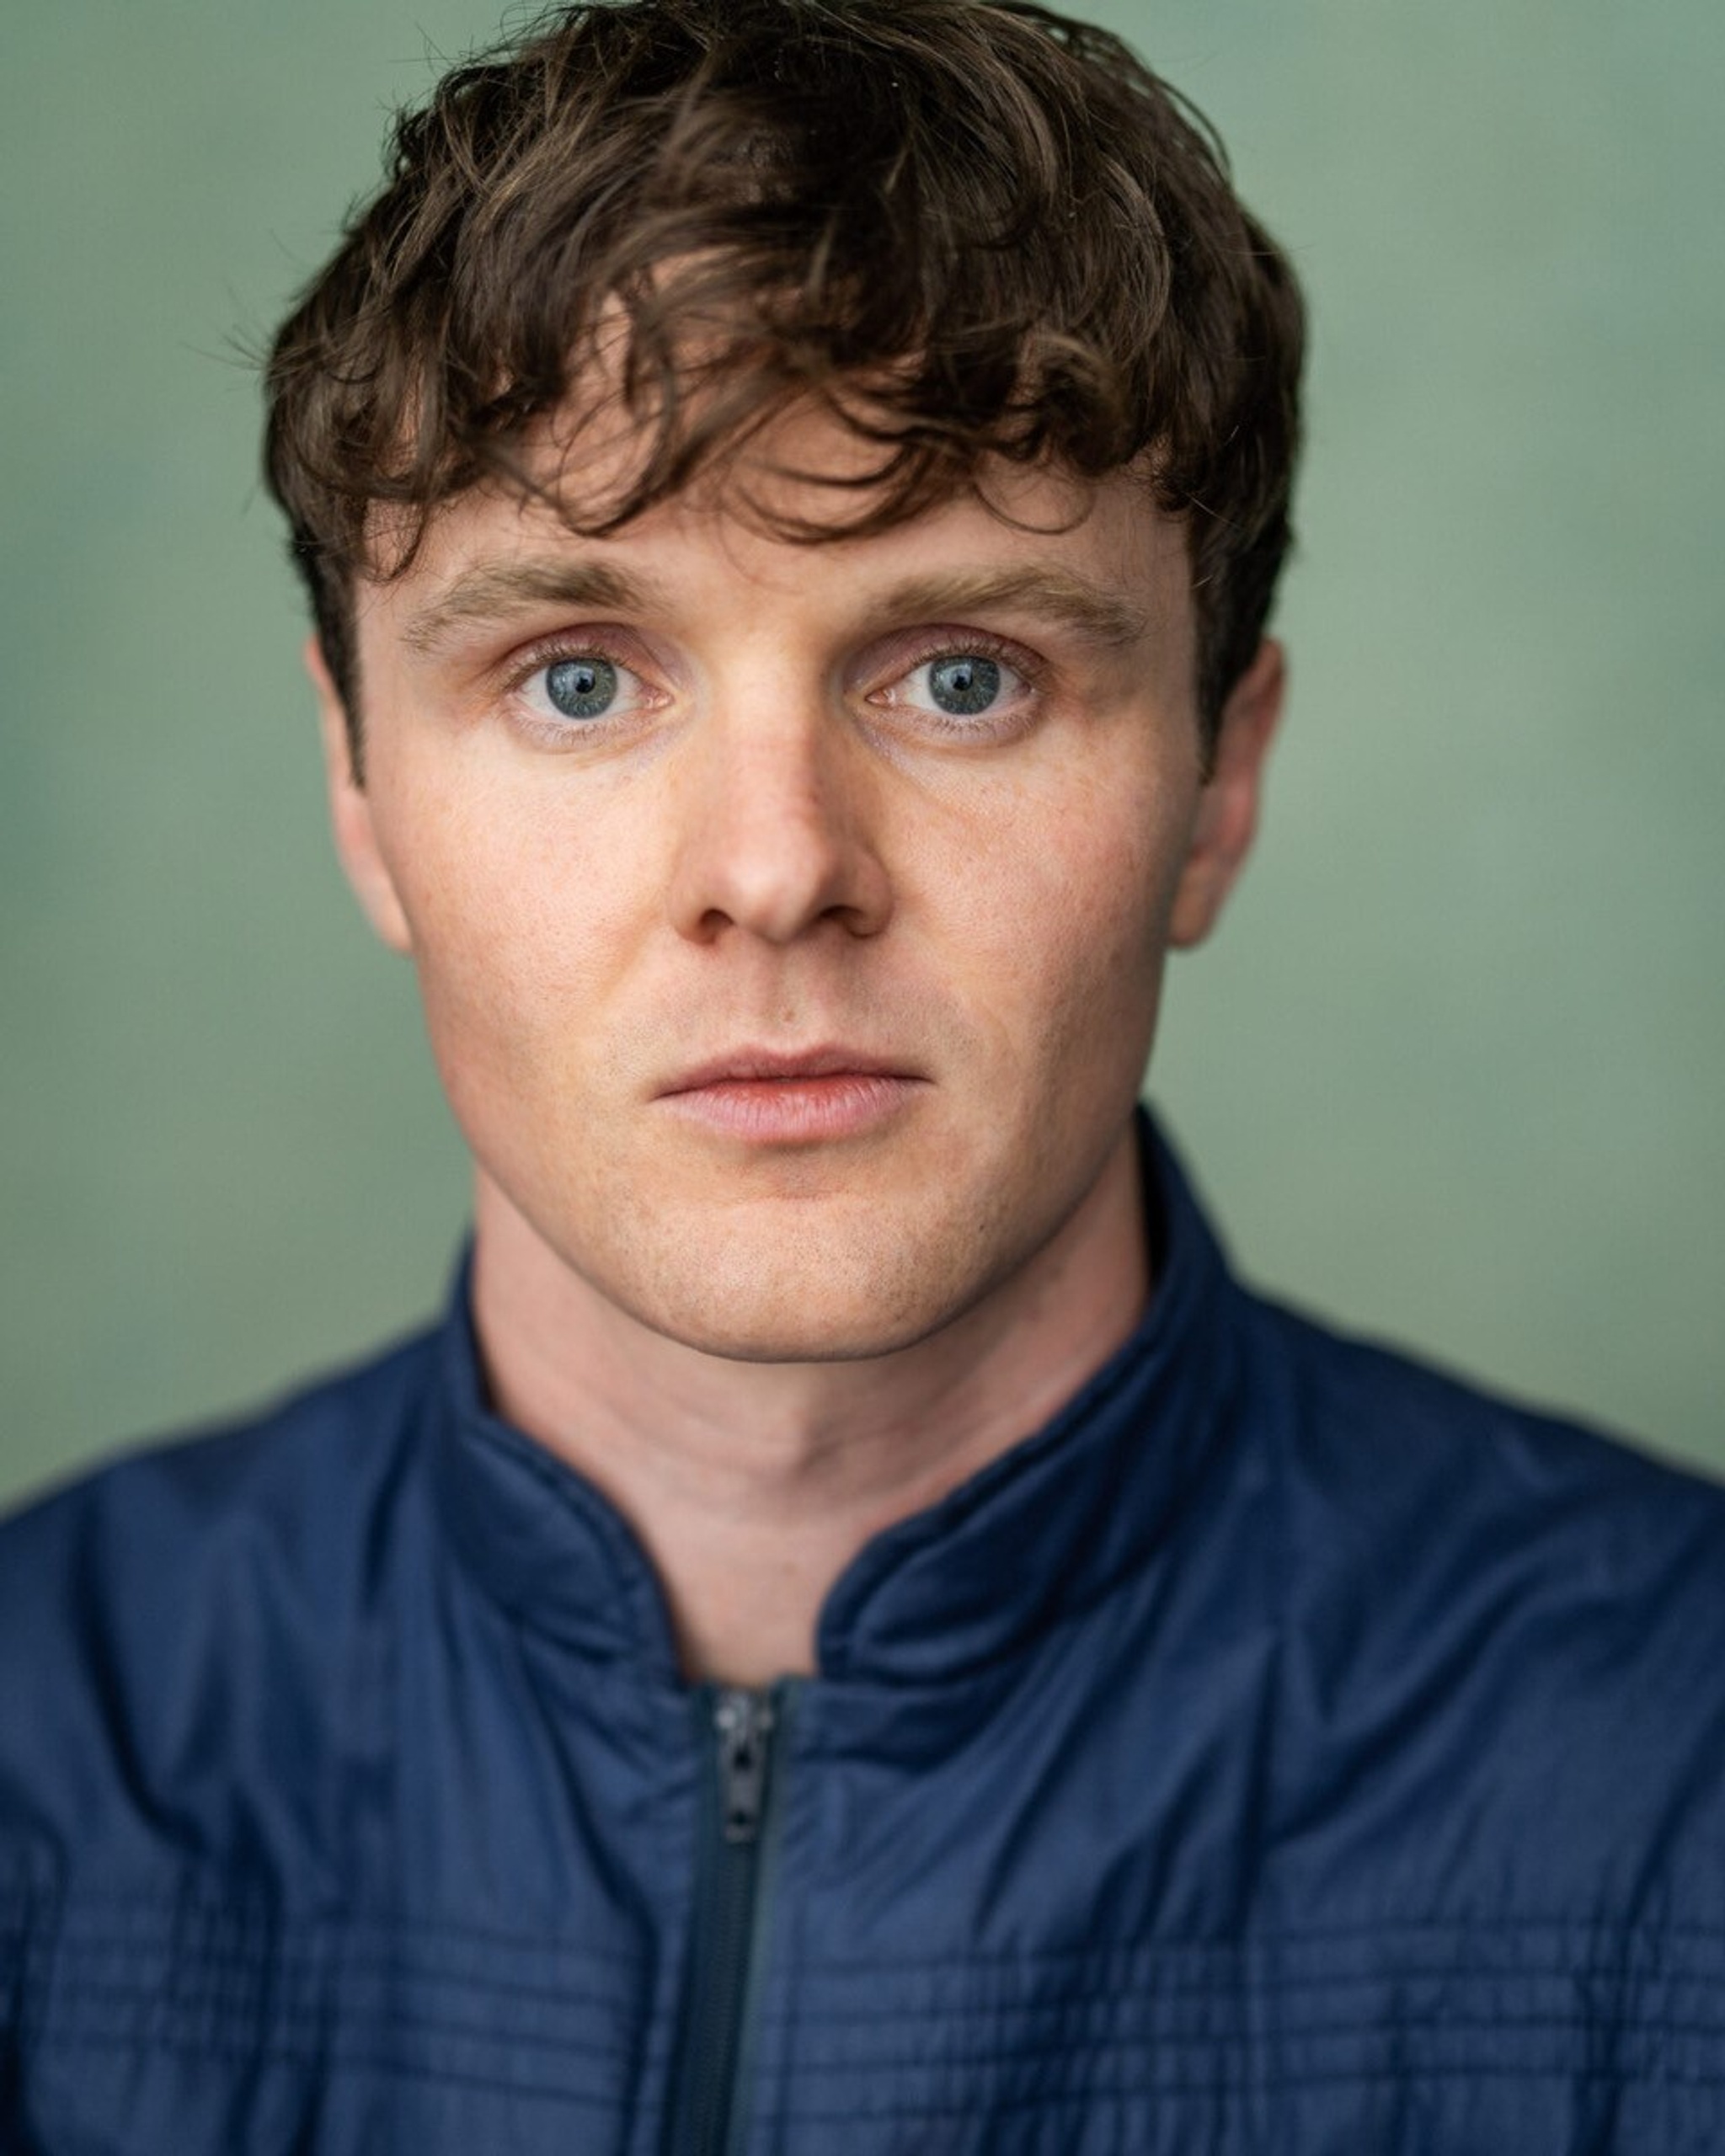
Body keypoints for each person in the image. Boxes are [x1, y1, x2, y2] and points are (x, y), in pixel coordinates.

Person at [2, 0, 1722, 2148]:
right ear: (359, 785)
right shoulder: (37, 1752)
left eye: (963, 672)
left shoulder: (1680, 1782)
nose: (776, 869)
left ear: (1217, 782)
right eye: (576, 674)